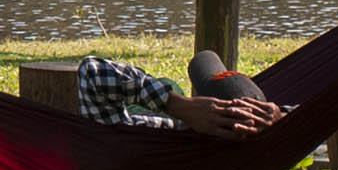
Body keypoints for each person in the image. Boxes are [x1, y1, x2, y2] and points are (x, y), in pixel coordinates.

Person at [70, 50, 284, 137]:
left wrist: (178, 105)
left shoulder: (130, 143)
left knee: (175, 79)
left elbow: (91, 71)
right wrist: (282, 117)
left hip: (147, 118)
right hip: (176, 123)